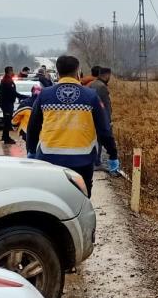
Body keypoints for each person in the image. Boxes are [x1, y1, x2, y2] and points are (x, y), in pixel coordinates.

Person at [25, 55, 119, 196]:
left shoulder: (44, 95)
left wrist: (31, 150)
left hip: (49, 159)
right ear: (77, 72)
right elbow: (104, 129)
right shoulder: (91, 96)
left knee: (53, 201)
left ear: (57, 72)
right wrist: (113, 154)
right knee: (81, 201)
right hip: (83, 159)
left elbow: (33, 127)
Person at [0, 66, 19, 145]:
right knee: (7, 121)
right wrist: (24, 96)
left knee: (6, 120)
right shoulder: (7, 81)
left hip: (6, 103)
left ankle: (4, 136)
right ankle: (6, 138)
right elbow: (13, 93)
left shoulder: (5, 79)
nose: (13, 72)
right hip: (7, 104)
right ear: (9, 71)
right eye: (12, 71)